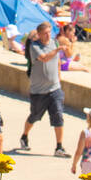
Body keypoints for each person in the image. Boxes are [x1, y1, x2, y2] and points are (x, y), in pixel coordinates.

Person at [19, 22, 67, 157]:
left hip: (55, 88)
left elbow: (57, 61)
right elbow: (44, 58)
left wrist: (59, 77)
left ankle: (59, 147)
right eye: (45, 33)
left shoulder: (54, 43)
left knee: (58, 116)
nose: (48, 35)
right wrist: (57, 50)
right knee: (34, 116)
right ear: (39, 34)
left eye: (49, 32)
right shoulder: (34, 47)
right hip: (38, 91)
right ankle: (24, 136)